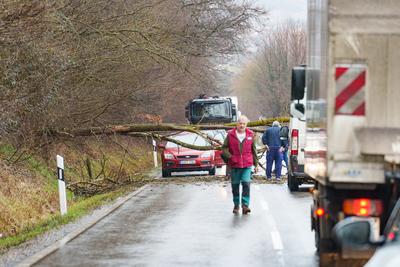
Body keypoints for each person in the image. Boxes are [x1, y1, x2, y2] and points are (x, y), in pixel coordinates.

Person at [221, 115, 259, 214]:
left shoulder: (251, 134)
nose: (242, 125)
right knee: (235, 186)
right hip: (234, 165)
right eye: (240, 123)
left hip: (247, 164)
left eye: (244, 124)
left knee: (246, 184)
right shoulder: (230, 135)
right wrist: (230, 157)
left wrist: (256, 164)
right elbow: (224, 148)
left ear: (246, 125)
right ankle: (236, 205)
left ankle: (245, 205)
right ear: (237, 124)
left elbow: (253, 150)